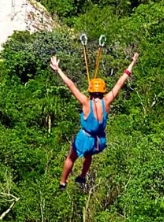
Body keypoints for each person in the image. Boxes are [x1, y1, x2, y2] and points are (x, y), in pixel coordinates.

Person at [49, 52, 139, 189]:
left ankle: (63, 181)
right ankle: (82, 176)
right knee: (88, 155)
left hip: (85, 137)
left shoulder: (86, 102)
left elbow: (71, 86)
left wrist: (58, 70)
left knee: (71, 157)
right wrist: (132, 63)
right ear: (103, 91)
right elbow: (121, 82)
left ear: (90, 91)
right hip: (98, 140)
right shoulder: (107, 101)